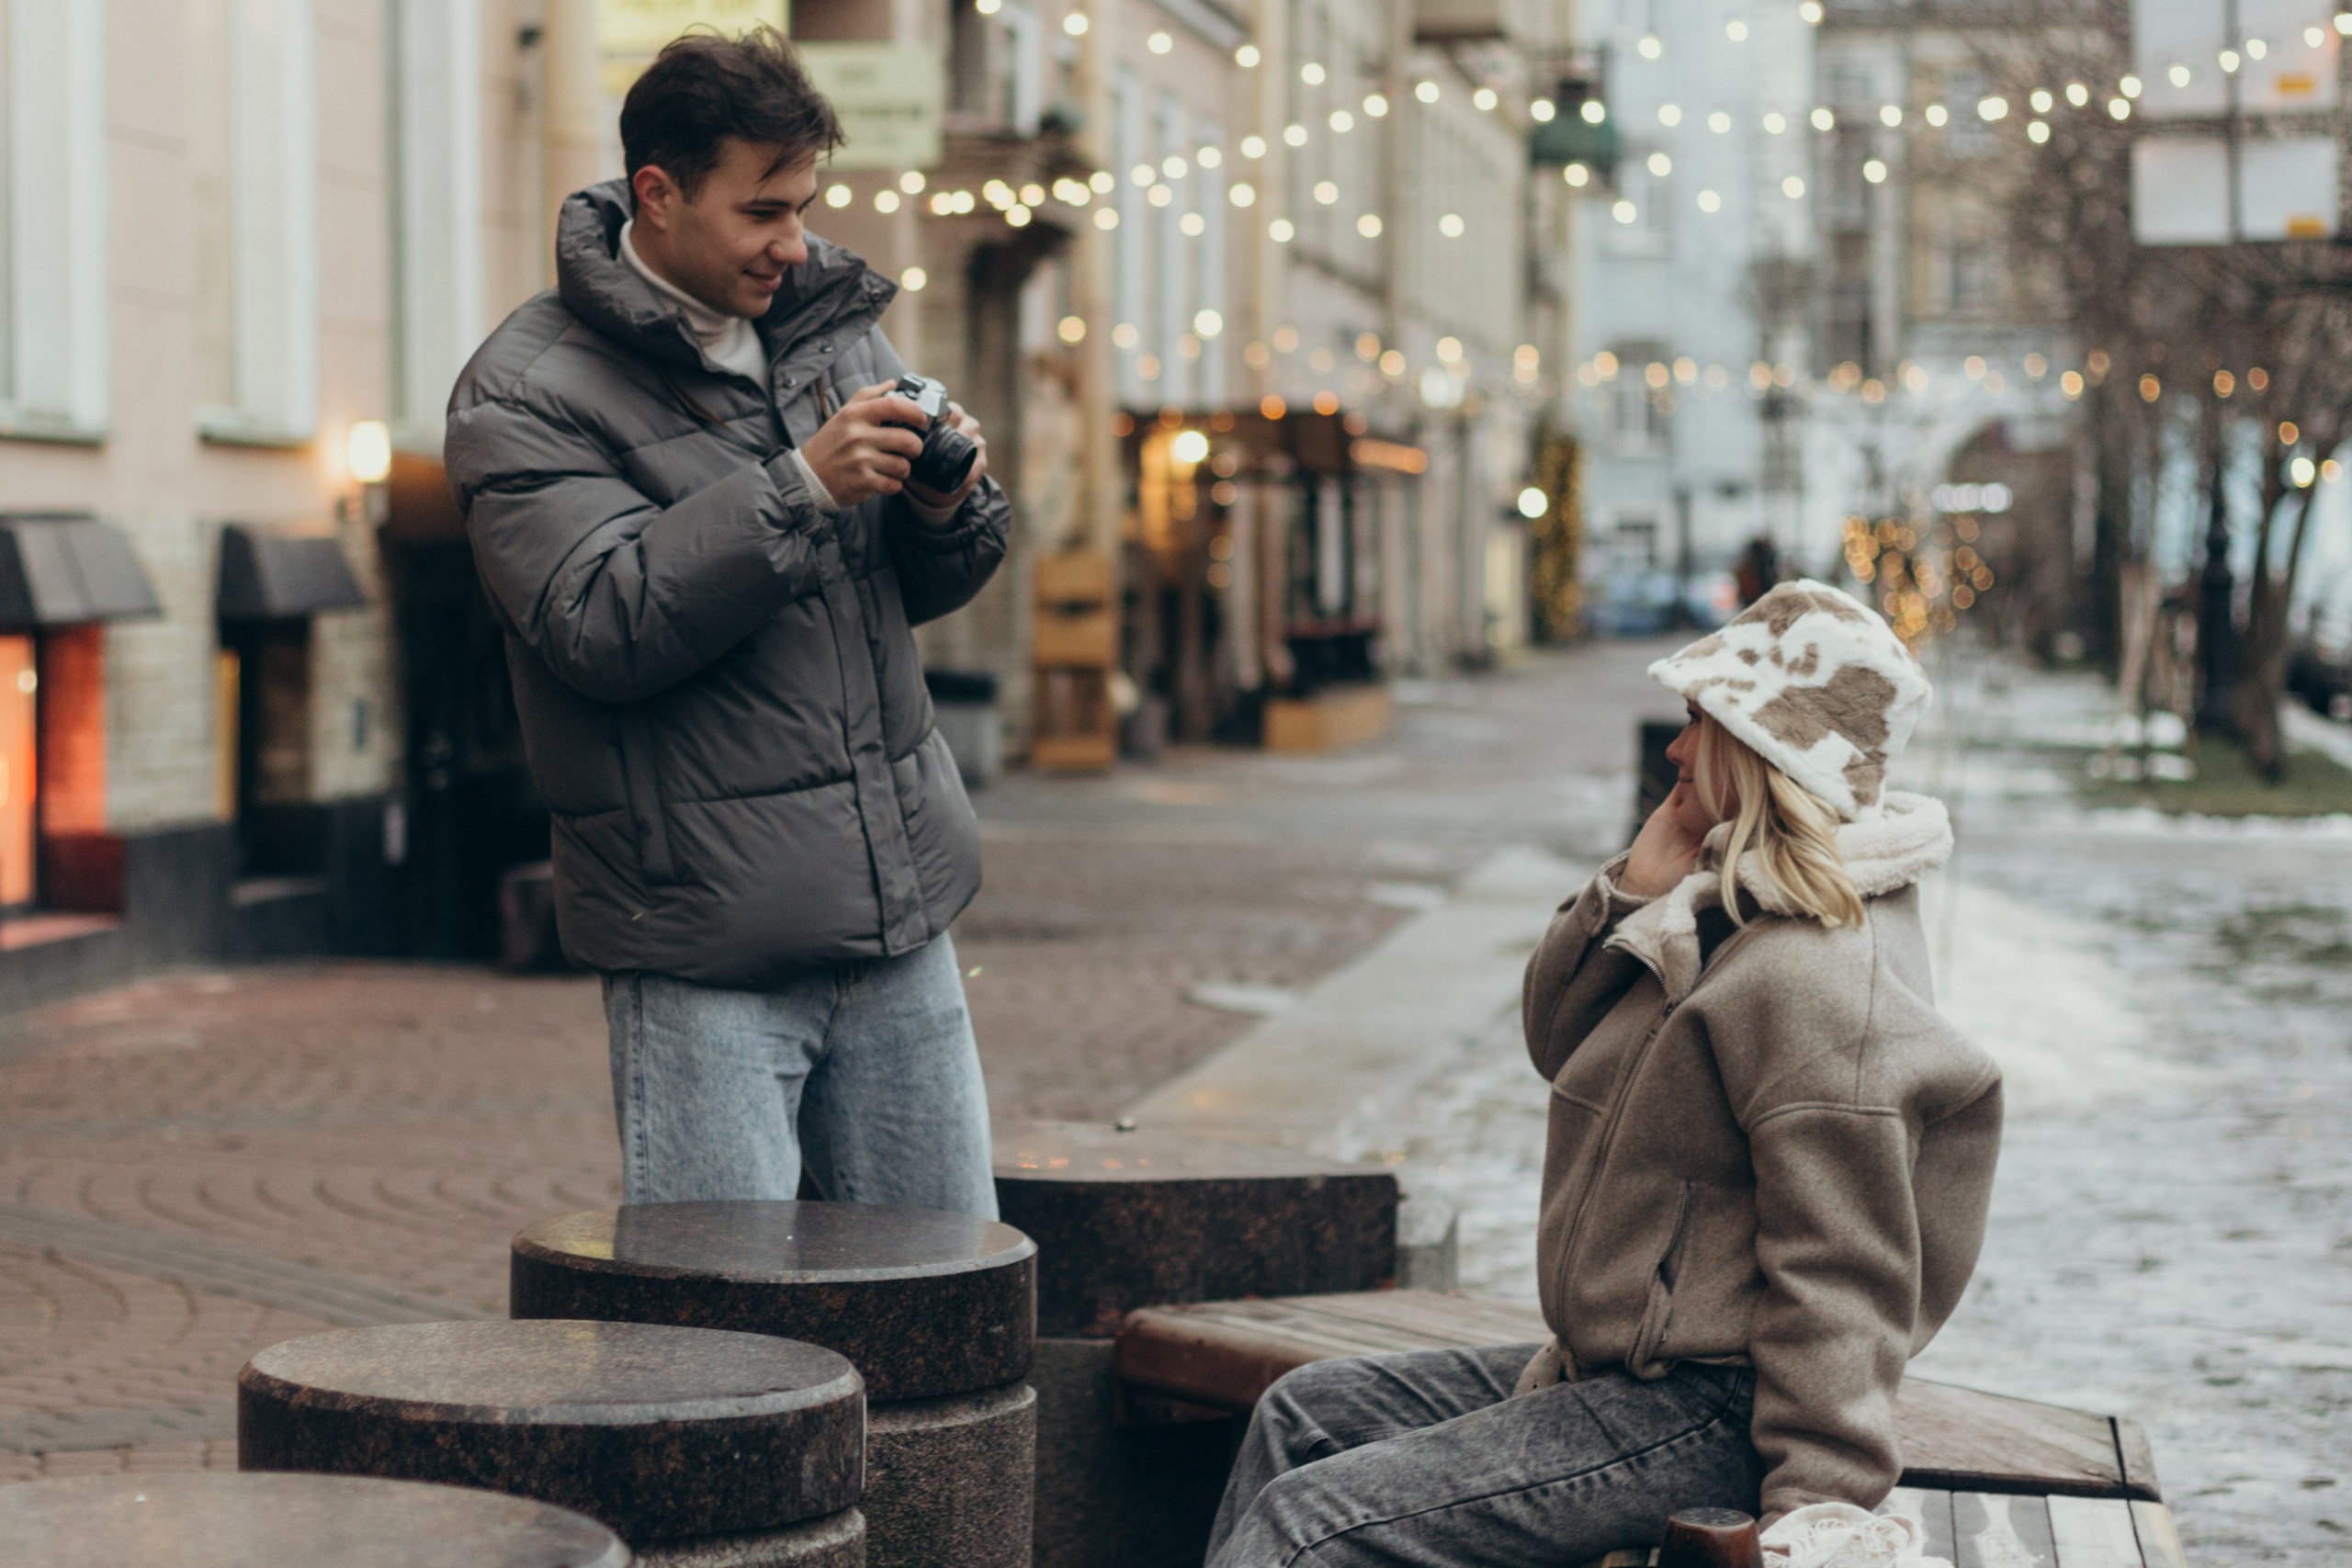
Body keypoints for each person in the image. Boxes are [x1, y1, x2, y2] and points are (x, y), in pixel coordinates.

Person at [1205, 581, 2003, 1566]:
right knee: (1305, 1412)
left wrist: (1813, 1514)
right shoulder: (1721, 910)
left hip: (1711, 1410)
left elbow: (1847, 1279)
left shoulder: (1819, 981)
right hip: (1611, 1373)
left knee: (1310, 1524)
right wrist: (1634, 883)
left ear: (1758, 751)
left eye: (1694, 724)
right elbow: (1557, 1043)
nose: (1672, 750)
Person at [446, 29, 1009, 1218]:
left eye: (803, 206)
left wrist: (947, 505)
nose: (792, 243)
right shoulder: (521, 391)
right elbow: (598, 620)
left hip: (900, 921)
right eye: (763, 210)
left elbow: (910, 591)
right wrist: (801, 486)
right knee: (732, 1353)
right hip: (703, 949)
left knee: (953, 1307)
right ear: (657, 192)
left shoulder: (830, 324)